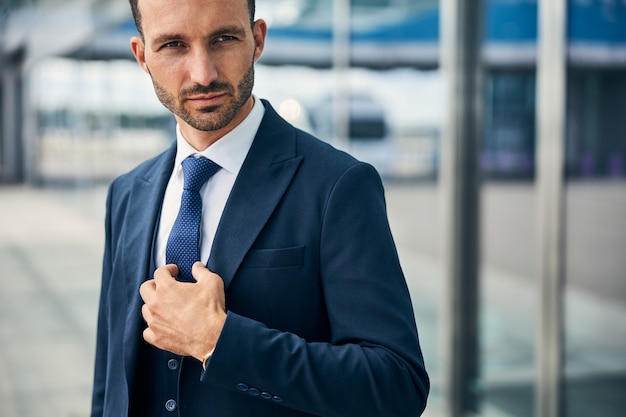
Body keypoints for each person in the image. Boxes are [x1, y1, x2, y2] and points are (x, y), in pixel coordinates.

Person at [90, 0, 429, 415]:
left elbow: (396, 385)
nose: (203, 74)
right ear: (142, 56)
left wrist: (218, 339)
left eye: (224, 39)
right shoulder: (127, 193)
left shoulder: (338, 185)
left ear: (258, 40)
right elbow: (109, 382)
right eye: (174, 45)